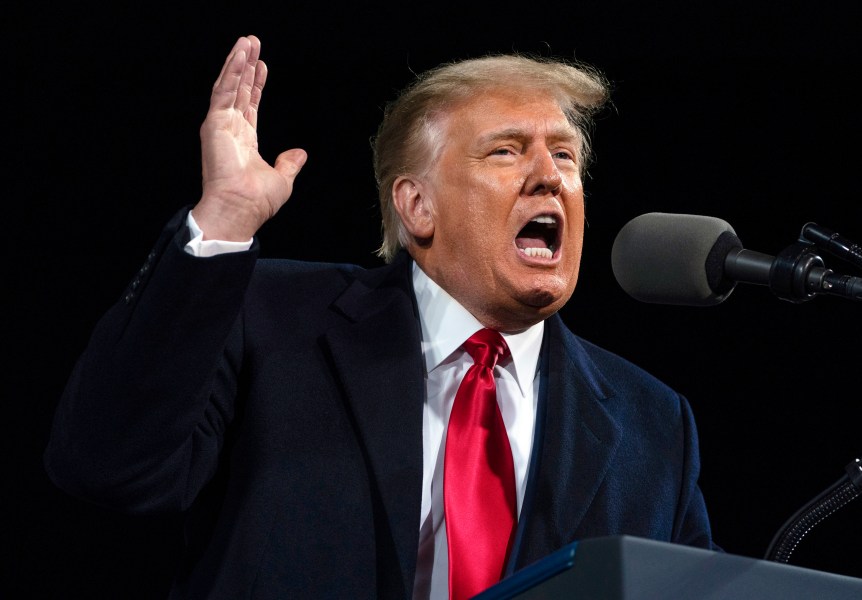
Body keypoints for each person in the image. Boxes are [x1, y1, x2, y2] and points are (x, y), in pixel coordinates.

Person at [45, 35, 717, 599]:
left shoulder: (652, 423)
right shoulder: (272, 320)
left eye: (564, 155)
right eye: (507, 151)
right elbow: (107, 466)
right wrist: (222, 219)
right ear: (416, 206)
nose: (550, 177)